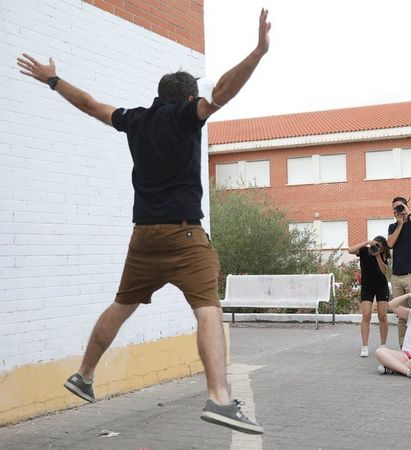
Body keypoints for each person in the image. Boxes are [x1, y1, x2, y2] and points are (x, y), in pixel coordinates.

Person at [16, 9, 272, 434]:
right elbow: (224, 90)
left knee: (122, 304)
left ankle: (84, 374)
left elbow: (91, 105)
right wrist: (258, 51)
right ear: (190, 98)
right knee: (208, 308)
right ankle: (219, 399)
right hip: (185, 235)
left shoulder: (136, 119)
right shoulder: (187, 116)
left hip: (143, 239)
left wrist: (53, 80)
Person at [387, 197, 411, 347]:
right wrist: (400, 225)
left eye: (400, 207)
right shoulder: (392, 226)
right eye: (395, 208)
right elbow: (390, 243)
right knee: (401, 314)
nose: (397, 210)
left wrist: (408, 214)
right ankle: (403, 346)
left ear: (406, 206)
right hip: (396, 276)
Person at [348, 236, 391, 358]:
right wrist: (366, 242)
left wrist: (377, 255)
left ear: (383, 248)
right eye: (376, 244)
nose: (377, 247)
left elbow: (384, 271)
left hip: (381, 287)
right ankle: (365, 346)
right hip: (367, 287)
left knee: (382, 315)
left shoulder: (382, 256)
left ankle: (383, 345)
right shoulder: (364, 251)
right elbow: (350, 250)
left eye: (380, 246)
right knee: (366, 315)